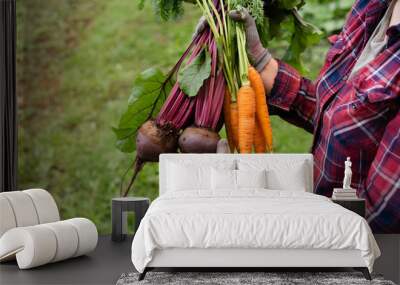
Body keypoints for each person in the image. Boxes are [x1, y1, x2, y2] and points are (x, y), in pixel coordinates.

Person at [197, 0, 400, 233]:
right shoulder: (373, 7)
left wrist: (273, 214)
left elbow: (379, 219)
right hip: (320, 220)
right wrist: (258, 58)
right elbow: (336, 112)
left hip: (349, 246)